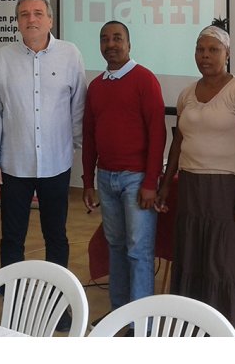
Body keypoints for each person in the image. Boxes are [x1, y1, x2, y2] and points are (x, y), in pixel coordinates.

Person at [0, 0, 87, 329]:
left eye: (38, 13)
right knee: (12, 236)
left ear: (50, 20)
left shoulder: (70, 54)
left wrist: (82, 157)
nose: (31, 19)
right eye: (24, 14)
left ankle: (59, 304)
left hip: (56, 162)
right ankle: (15, 302)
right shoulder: (3, 58)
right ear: (17, 21)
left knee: (56, 235)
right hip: (14, 163)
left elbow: (79, 109)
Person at [157, 22, 235, 335]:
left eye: (213, 50)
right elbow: (178, 142)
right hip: (191, 185)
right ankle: (193, 321)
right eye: (200, 50)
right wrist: (165, 183)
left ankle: (227, 324)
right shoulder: (187, 93)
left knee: (223, 259)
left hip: (227, 188)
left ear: (226, 53)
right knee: (192, 254)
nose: (205, 56)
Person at [82, 21, 166, 314]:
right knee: (115, 248)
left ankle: (141, 324)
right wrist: (88, 181)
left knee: (138, 252)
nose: (111, 44)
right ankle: (119, 314)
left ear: (129, 44)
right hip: (105, 178)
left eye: (117, 38)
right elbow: (90, 136)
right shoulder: (95, 86)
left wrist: (150, 183)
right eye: (105, 39)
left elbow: (158, 133)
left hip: (136, 179)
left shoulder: (145, 80)